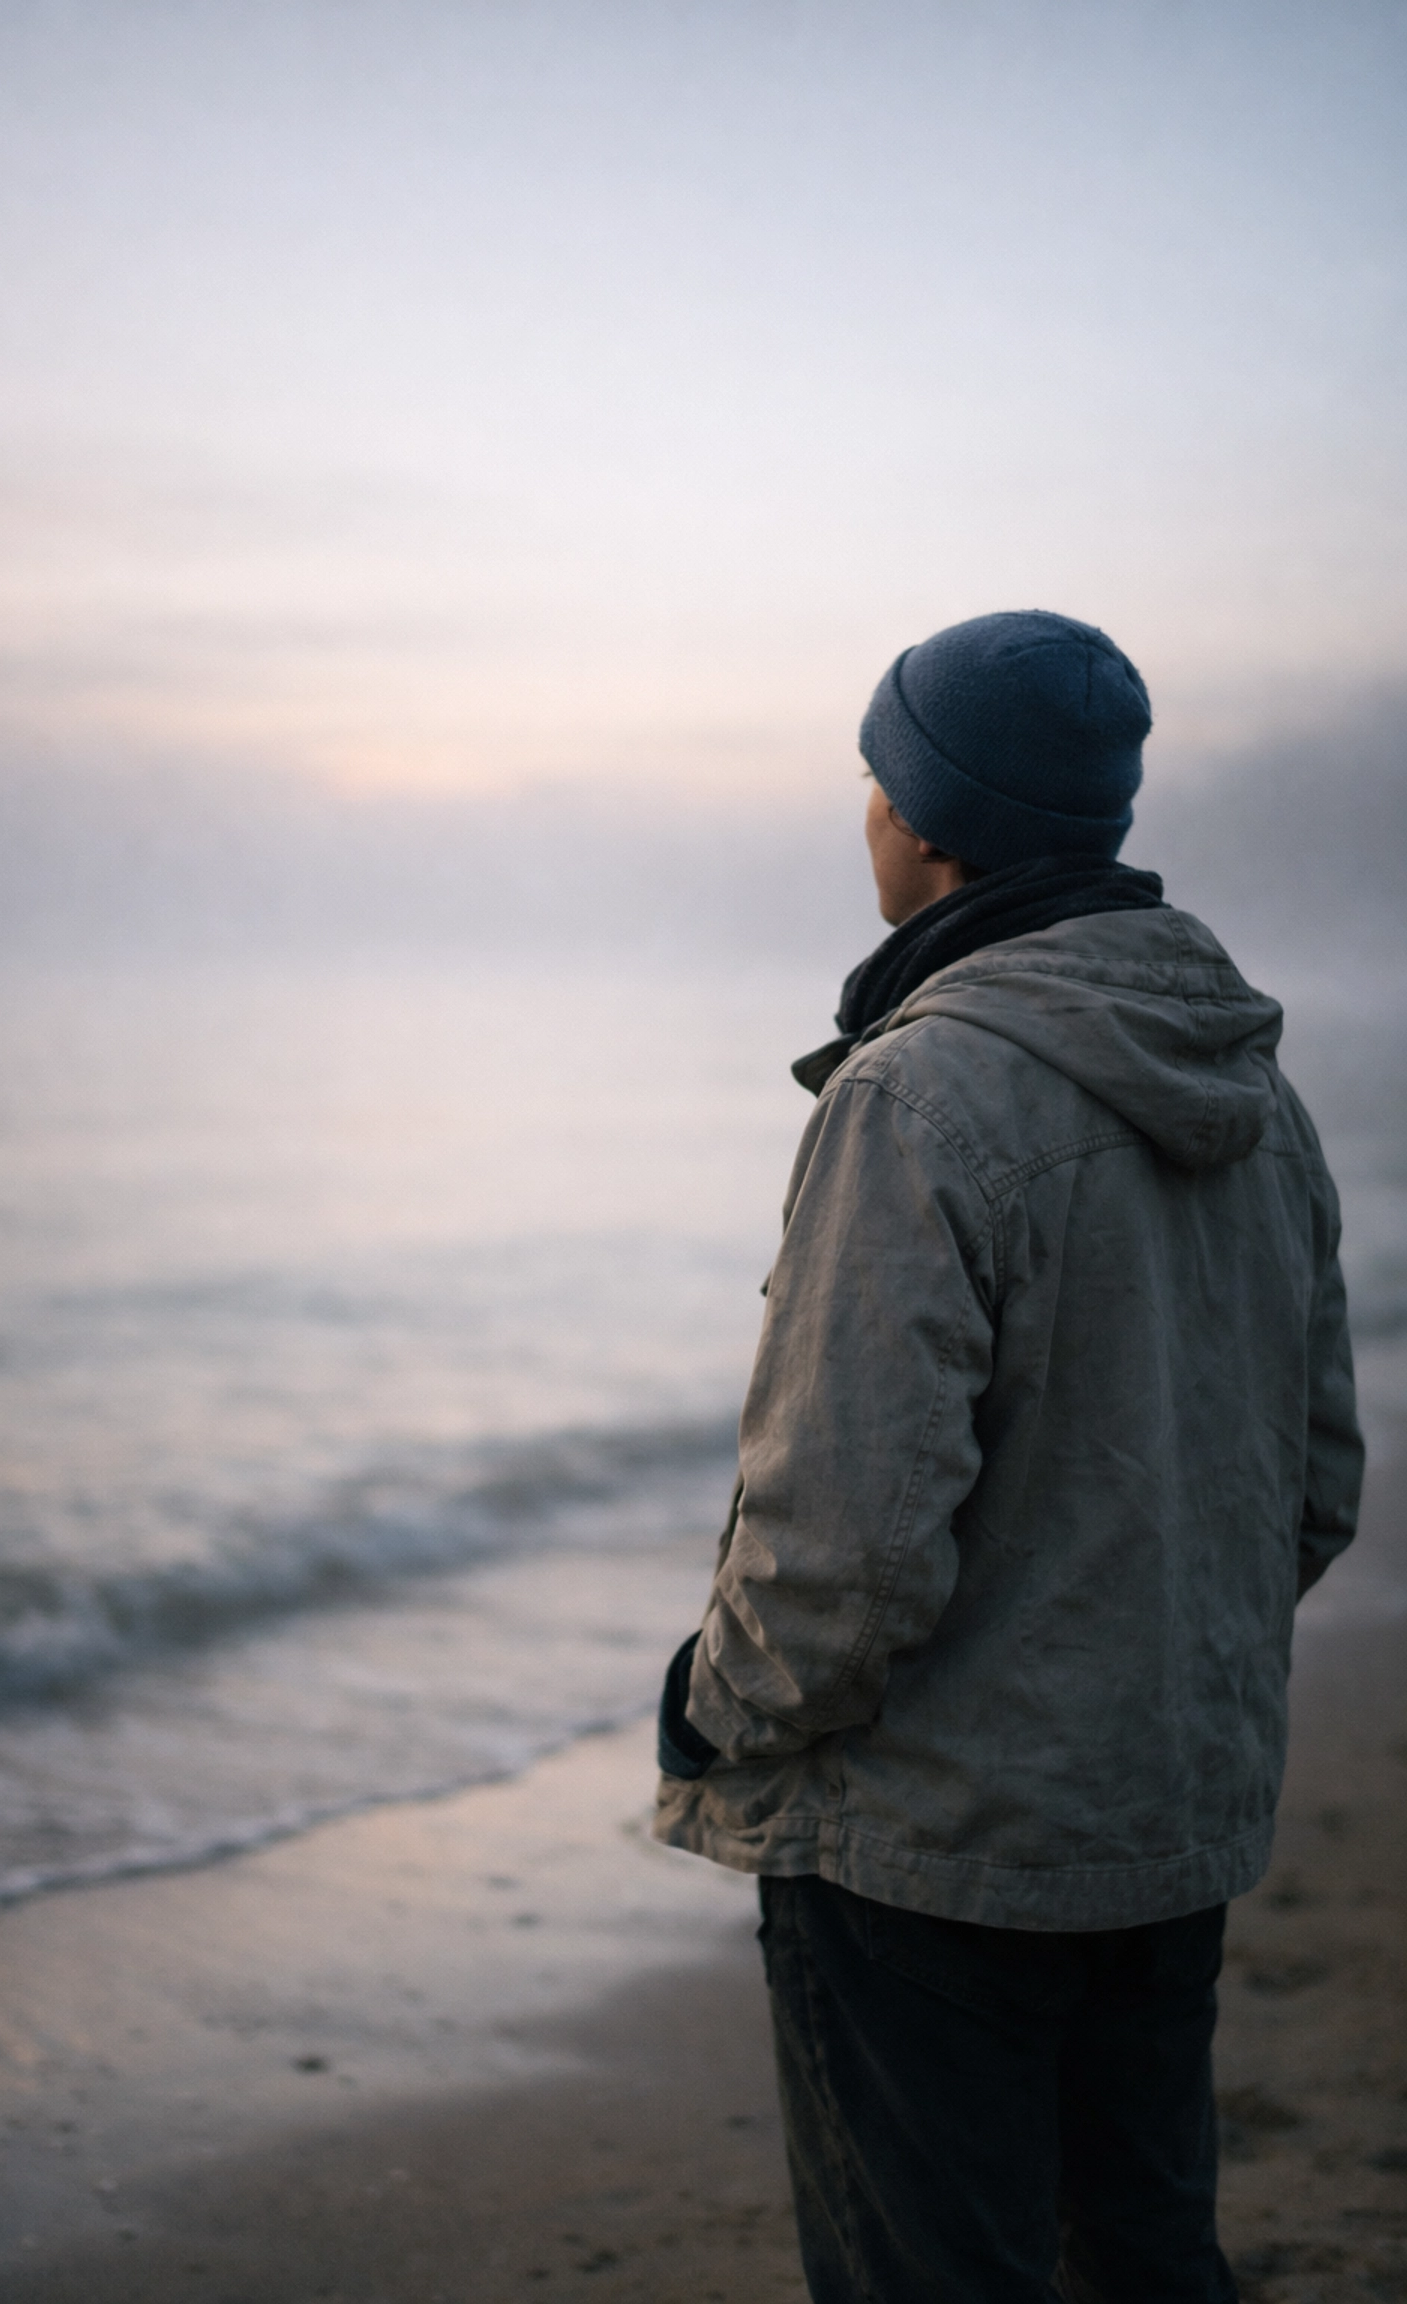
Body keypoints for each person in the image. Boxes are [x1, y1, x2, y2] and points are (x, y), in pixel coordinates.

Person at [652, 610, 1364, 2304]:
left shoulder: (921, 1096)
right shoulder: (1261, 1102)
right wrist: (1137, 1679)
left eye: (876, 782)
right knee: (1141, 2259)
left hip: (936, 1857)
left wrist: (718, 1701)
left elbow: (845, 1556)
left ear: (931, 820)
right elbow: (1314, 1486)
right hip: (1161, 1812)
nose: (869, 816)